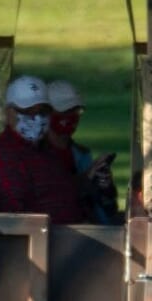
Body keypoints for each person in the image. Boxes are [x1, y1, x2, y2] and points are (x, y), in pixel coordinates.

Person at [0, 73, 81, 224]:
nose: (37, 118)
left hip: (74, 233)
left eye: (43, 112)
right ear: (9, 113)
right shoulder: (2, 158)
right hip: (45, 240)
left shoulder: (46, 151)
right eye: (28, 112)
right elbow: (18, 218)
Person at [44, 78, 119, 224]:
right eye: (65, 111)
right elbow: (51, 198)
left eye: (76, 111)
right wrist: (85, 179)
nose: (72, 116)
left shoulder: (82, 155)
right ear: (47, 113)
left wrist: (106, 188)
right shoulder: (36, 155)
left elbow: (109, 209)